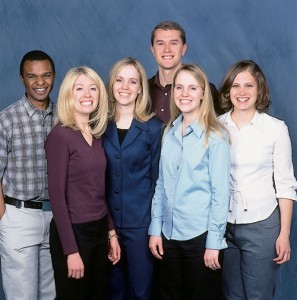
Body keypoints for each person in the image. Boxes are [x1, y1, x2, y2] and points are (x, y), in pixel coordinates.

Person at [149, 64, 230, 300]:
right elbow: (161, 185)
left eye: (192, 88)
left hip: (200, 237)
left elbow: (220, 194)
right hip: (168, 234)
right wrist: (156, 228)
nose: (185, 94)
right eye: (179, 87)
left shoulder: (216, 137)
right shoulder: (169, 132)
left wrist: (214, 243)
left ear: (203, 93)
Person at [218, 60, 297, 300]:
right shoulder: (216, 126)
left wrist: (284, 234)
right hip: (224, 226)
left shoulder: (275, 129)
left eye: (249, 86)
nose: (242, 92)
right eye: (236, 86)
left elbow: (285, 185)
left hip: (262, 226)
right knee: (232, 296)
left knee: (258, 296)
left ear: (259, 89)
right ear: (228, 90)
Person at [45, 66, 120, 300]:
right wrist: (71, 251)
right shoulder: (60, 136)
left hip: (98, 230)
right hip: (73, 234)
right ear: (68, 94)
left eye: (93, 88)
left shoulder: (95, 134)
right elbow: (56, 197)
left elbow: (99, 191)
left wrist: (111, 234)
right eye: (79, 88)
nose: (87, 94)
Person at [103, 57, 162, 300]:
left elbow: (159, 181)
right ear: (112, 84)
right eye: (119, 80)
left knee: (140, 292)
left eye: (132, 81)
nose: (125, 86)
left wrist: (156, 227)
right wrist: (108, 229)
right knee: (112, 291)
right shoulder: (98, 126)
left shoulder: (154, 128)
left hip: (141, 225)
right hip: (106, 225)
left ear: (140, 88)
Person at [0, 50, 56, 300]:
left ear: (54, 76)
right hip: (19, 215)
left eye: (45, 75)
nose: (40, 82)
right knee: (22, 296)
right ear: (22, 79)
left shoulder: (63, 116)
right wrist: (4, 218)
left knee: (51, 294)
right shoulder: (7, 119)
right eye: (32, 76)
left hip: (55, 217)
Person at [149, 20, 222, 124]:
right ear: (152, 50)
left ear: (183, 49)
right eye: (160, 43)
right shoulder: (143, 90)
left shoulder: (206, 90)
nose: (167, 49)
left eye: (173, 43)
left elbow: (221, 126)